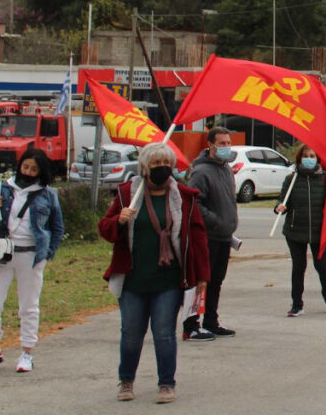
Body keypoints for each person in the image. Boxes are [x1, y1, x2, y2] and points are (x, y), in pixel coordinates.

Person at [99, 143, 210, 403]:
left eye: (166, 164)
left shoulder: (184, 196)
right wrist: (119, 220)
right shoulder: (127, 193)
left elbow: (197, 237)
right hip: (133, 279)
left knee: (163, 332)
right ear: (144, 168)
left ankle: (166, 384)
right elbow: (105, 229)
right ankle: (126, 381)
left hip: (169, 279)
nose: (162, 169)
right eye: (156, 164)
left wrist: (202, 276)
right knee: (131, 333)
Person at [0, 148, 64, 374]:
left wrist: (47, 254)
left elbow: (57, 227)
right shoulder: (3, 188)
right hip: (3, 253)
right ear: (20, 165)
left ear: (41, 171)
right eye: (26, 167)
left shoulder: (48, 194)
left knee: (29, 306)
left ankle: (27, 352)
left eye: (34, 169)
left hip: (31, 256)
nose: (29, 172)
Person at [182, 127, 239, 340]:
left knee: (216, 281)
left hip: (224, 236)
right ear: (211, 145)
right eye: (222, 143)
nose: (226, 147)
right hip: (208, 236)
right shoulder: (201, 171)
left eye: (228, 143)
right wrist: (214, 222)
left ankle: (211, 321)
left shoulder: (225, 169)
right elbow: (194, 202)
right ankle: (191, 324)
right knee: (201, 281)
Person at [274, 145, 326, 317]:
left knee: (322, 266)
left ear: (318, 159)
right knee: (298, 267)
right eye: (305, 156)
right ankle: (297, 305)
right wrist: (279, 207)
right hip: (295, 231)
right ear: (299, 158)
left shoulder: (325, 178)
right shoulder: (291, 179)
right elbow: (283, 201)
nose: (309, 159)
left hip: (319, 231)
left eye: (312, 156)